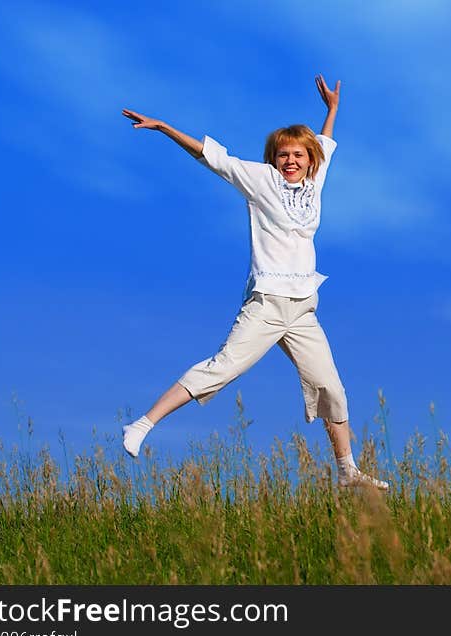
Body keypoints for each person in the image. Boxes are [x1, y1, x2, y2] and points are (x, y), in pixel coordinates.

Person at [120, 74, 388, 490]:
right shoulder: (259, 179)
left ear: (309, 159)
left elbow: (326, 142)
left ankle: (347, 473)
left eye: (298, 154)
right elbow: (214, 157)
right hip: (266, 303)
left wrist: (332, 109)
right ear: (274, 158)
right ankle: (141, 424)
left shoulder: (315, 181)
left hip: (303, 308)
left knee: (331, 387)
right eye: (283, 155)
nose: (291, 161)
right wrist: (164, 128)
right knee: (222, 369)